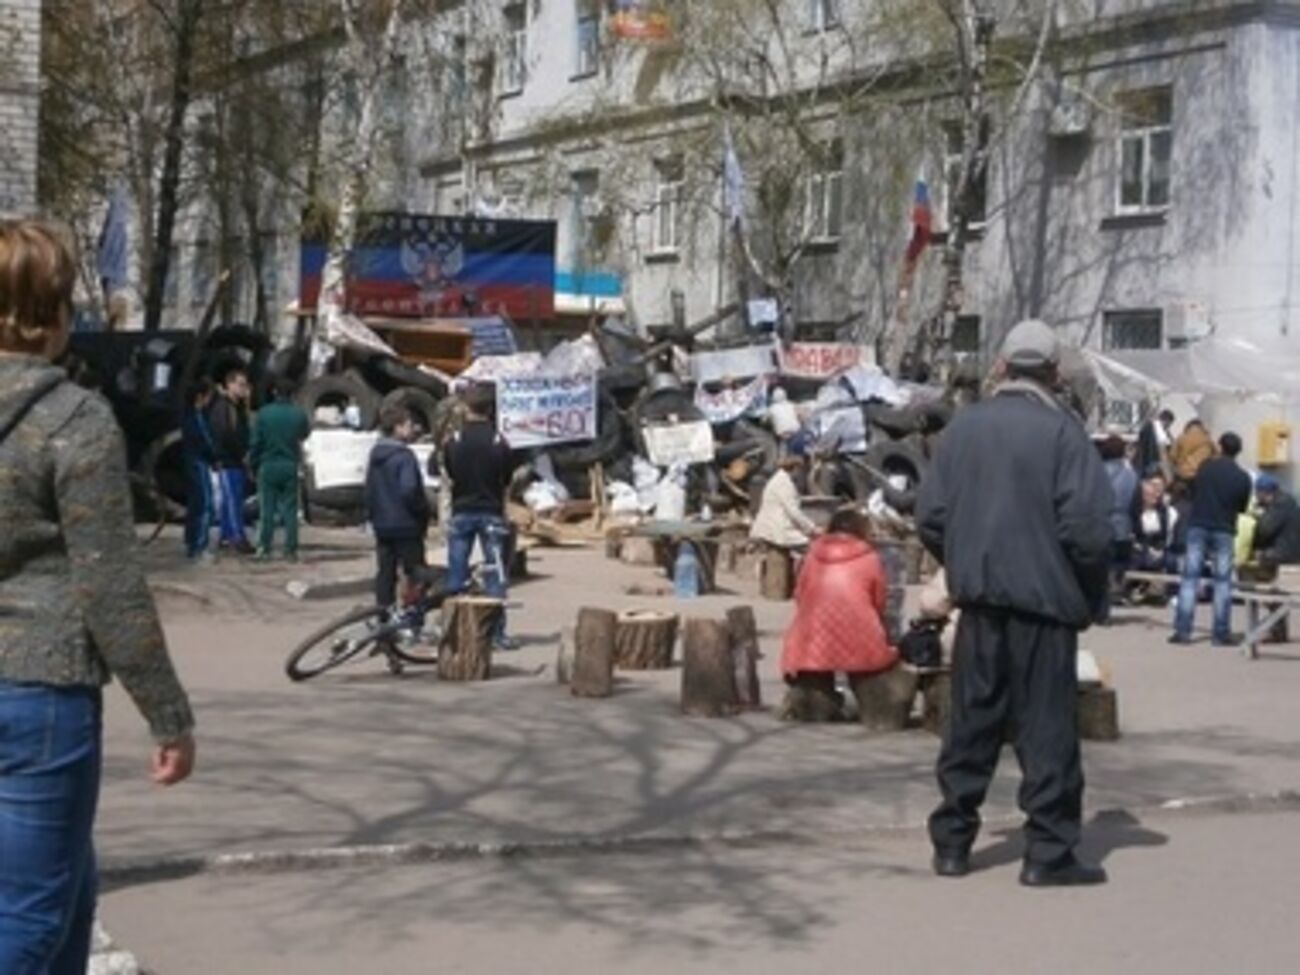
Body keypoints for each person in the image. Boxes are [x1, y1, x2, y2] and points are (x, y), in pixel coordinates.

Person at [0, 219, 196, 970]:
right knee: (28, 922)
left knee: (70, 900)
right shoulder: (75, 420)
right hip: (42, 695)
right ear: (53, 314)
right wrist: (169, 715)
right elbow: (109, 583)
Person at [916, 318, 1112, 887]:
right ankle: (1047, 854)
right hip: (1044, 611)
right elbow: (1089, 531)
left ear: (1001, 367)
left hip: (979, 606)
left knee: (971, 726)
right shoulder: (1063, 433)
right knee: (1046, 732)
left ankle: (952, 845)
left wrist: (967, 559)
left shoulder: (963, 429)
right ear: (1053, 373)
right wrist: (1085, 590)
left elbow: (930, 517)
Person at [780, 508, 899, 684]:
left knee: (814, 688)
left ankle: (817, 704)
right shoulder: (870, 559)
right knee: (869, 680)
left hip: (811, 642)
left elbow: (800, 596)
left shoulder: (811, 557)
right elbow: (879, 601)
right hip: (862, 639)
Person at [442, 383, 517, 649]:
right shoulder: (499, 440)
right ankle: (495, 634)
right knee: (495, 574)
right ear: (491, 409)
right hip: (491, 512)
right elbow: (507, 477)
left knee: (456, 573)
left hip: (462, 510)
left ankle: (453, 631)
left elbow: (449, 471)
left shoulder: (455, 439)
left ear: (466, 407)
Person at [1170, 432, 1253, 646]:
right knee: (1223, 582)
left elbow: (1193, 489)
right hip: (1225, 527)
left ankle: (1183, 630)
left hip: (1198, 524)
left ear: (1220, 446)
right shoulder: (1242, 477)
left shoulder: (1205, 468)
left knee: (1190, 578)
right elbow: (1242, 507)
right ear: (1238, 451)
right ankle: (1220, 632)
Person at [365, 404, 432, 615]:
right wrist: (423, 509)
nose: (413, 429)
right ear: (397, 428)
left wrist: (372, 514)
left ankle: (383, 615)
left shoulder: (375, 455)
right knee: (416, 573)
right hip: (406, 523)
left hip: (382, 523)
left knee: (385, 572)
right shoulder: (404, 457)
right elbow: (409, 489)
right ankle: (413, 616)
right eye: (409, 425)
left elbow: (369, 489)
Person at [249, 378, 310, 561]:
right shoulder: (299, 414)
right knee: (290, 510)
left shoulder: (264, 414)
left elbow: (256, 443)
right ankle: (291, 550)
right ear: (291, 394)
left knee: (267, 509)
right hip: (290, 464)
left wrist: (253, 463)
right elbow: (304, 434)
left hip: (268, 465)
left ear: (274, 392)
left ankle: (264, 549)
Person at [208, 364, 254, 554]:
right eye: (240, 385)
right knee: (232, 501)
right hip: (228, 461)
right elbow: (224, 435)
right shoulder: (223, 408)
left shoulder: (238, 408)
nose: (243, 389)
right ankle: (236, 536)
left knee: (232, 500)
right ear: (229, 385)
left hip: (236, 460)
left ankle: (227, 535)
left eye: (245, 385)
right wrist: (232, 455)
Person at [1099, 434, 1138, 620]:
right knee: (1117, 566)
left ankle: (1101, 606)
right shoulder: (1131, 475)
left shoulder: (1096, 472)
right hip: (1123, 524)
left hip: (1100, 523)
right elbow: (1136, 504)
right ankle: (1114, 592)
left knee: (1100, 567)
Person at [180, 378, 218, 561]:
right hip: (199, 462)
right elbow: (205, 442)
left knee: (195, 504)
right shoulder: (197, 417)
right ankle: (199, 546)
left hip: (190, 461)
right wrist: (215, 458)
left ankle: (190, 541)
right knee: (205, 505)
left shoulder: (187, 415)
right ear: (200, 397)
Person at [750, 452, 817, 550]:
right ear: (795, 468)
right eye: (800, 470)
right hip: (777, 529)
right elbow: (793, 511)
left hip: (773, 527)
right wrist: (812, 528)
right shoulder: (784, 484)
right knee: (811, 547)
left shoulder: (780, 479)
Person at [1252, 474, 1300, 567]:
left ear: (1263, 493)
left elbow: (1264, 530)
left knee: (1256, 555)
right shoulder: (1288, 502)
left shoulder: (1279, 505)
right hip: (1292, 551)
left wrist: (1259, 517)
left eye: (1257, 493)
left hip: (1283, 552)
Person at [1169, 418, 1215, 485]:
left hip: (1182, 473)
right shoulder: (1209, 441)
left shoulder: (1183, 437)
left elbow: (1172, 456)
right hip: (1199, 477)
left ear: (1188, 426)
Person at [1134, 408, 1174, 479]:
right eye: (1168, 423)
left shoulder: (1164, 432)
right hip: (1148, 462)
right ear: (1164, 420)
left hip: (1153, 463)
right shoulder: (1150, 427)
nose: (1168, 426)